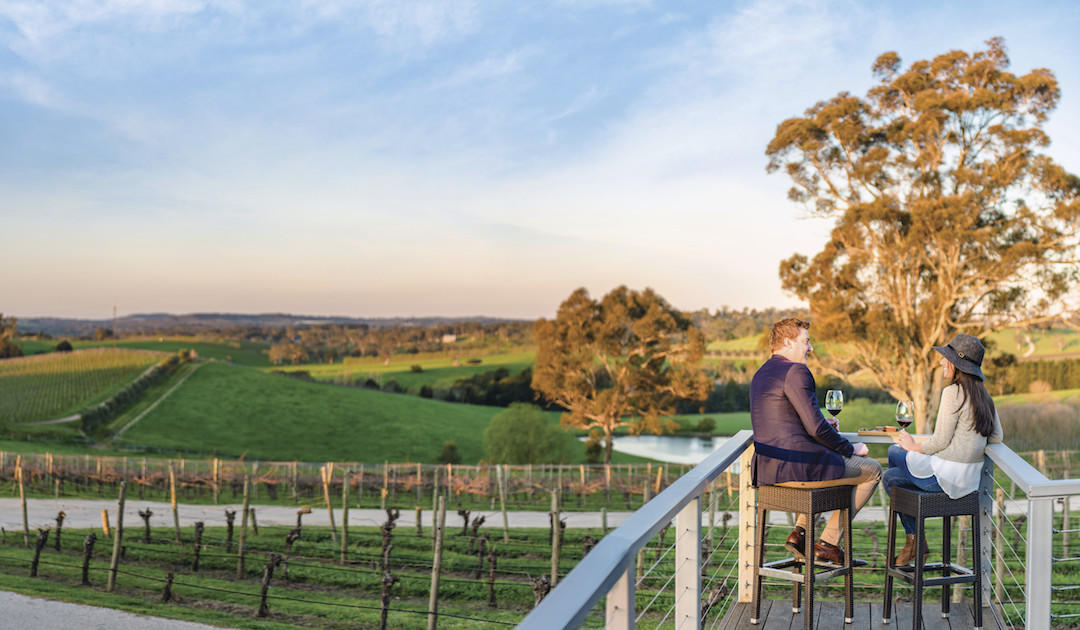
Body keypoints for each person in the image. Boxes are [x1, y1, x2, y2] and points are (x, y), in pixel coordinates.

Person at [750, 318, 882, 564]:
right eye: (806, 341)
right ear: (788, 341)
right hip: (799, 469)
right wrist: (850, 447)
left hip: (768, 471)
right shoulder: (797, 371)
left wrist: (823, 424)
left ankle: (800, 533)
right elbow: (815, 429)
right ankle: (829, 543)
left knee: (833, 468)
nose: (810, 348)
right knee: (872, 470)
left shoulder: (762, 373)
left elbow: (788, 421)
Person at [883, 333, 1004, 566]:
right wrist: (970, 445)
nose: (941, 363)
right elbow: (997, 437)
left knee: (894, 454)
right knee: (892, 477)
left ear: (956, 364)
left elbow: (939, 442)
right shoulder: (984, 395)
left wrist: (913, 446)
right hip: (969, 481)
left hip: (944, 479)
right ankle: (914, 541)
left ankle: (914, 539)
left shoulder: (952, 393)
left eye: (945, 359)